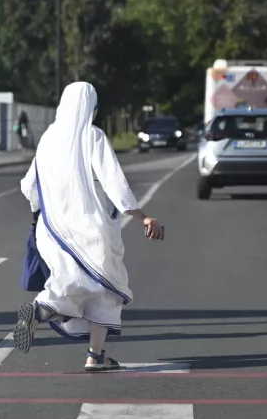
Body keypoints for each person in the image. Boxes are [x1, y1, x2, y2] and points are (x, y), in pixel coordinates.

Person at [13, 82, 164, 372]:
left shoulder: (48, 138)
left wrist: (40, 214)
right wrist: (142, 216)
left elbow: (29, 185)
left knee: (70, 281)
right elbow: (114, 181)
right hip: (91, 229)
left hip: (52, 230)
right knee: (106, 289)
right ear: (91, 109)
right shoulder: (92, 136)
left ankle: (47, 315)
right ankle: (88, 349)